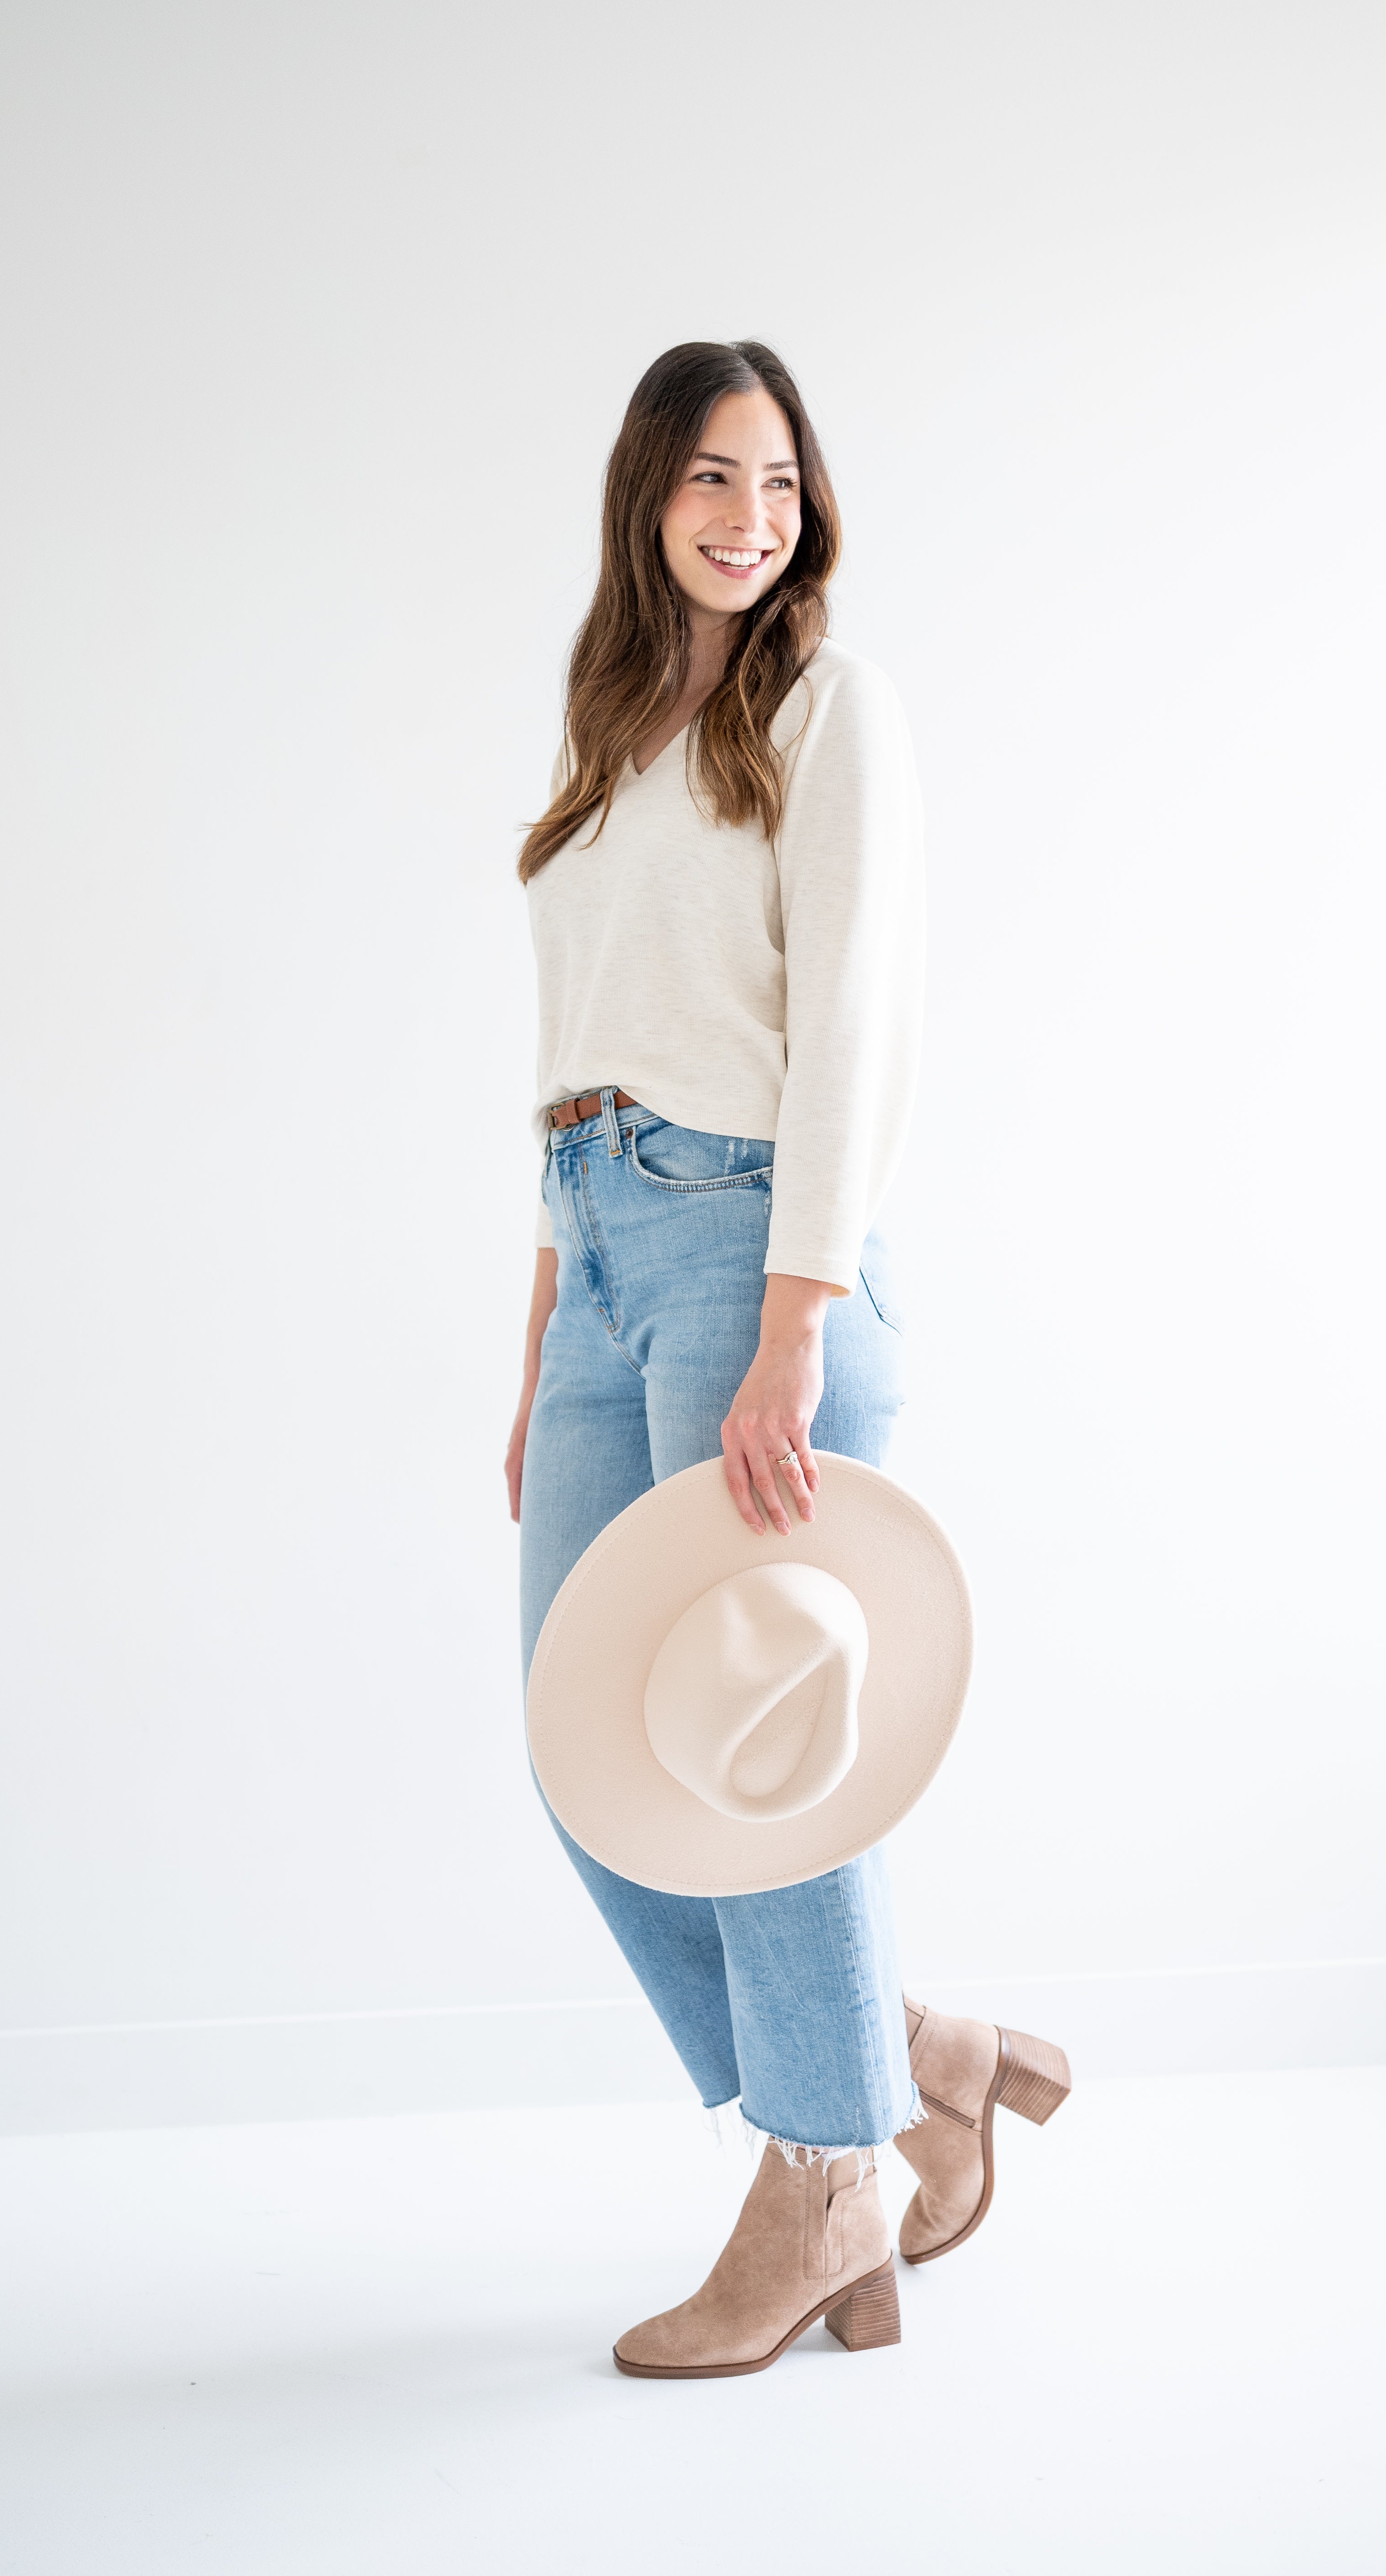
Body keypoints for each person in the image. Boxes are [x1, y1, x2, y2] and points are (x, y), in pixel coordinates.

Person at [505, 341, 1067, 2378]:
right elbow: (574, 1056)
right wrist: (544, 1322)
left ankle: (831, 2173)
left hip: (757, 1253)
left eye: (779, 481)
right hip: (599, 1250)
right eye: (709, 481)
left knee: (761, 1758)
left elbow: (853, 1031)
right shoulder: (609, 728)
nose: (750, 517)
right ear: (645, 496)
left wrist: (793, 1323)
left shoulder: (832, 711)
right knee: (596, 1756)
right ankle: (908, 2060)